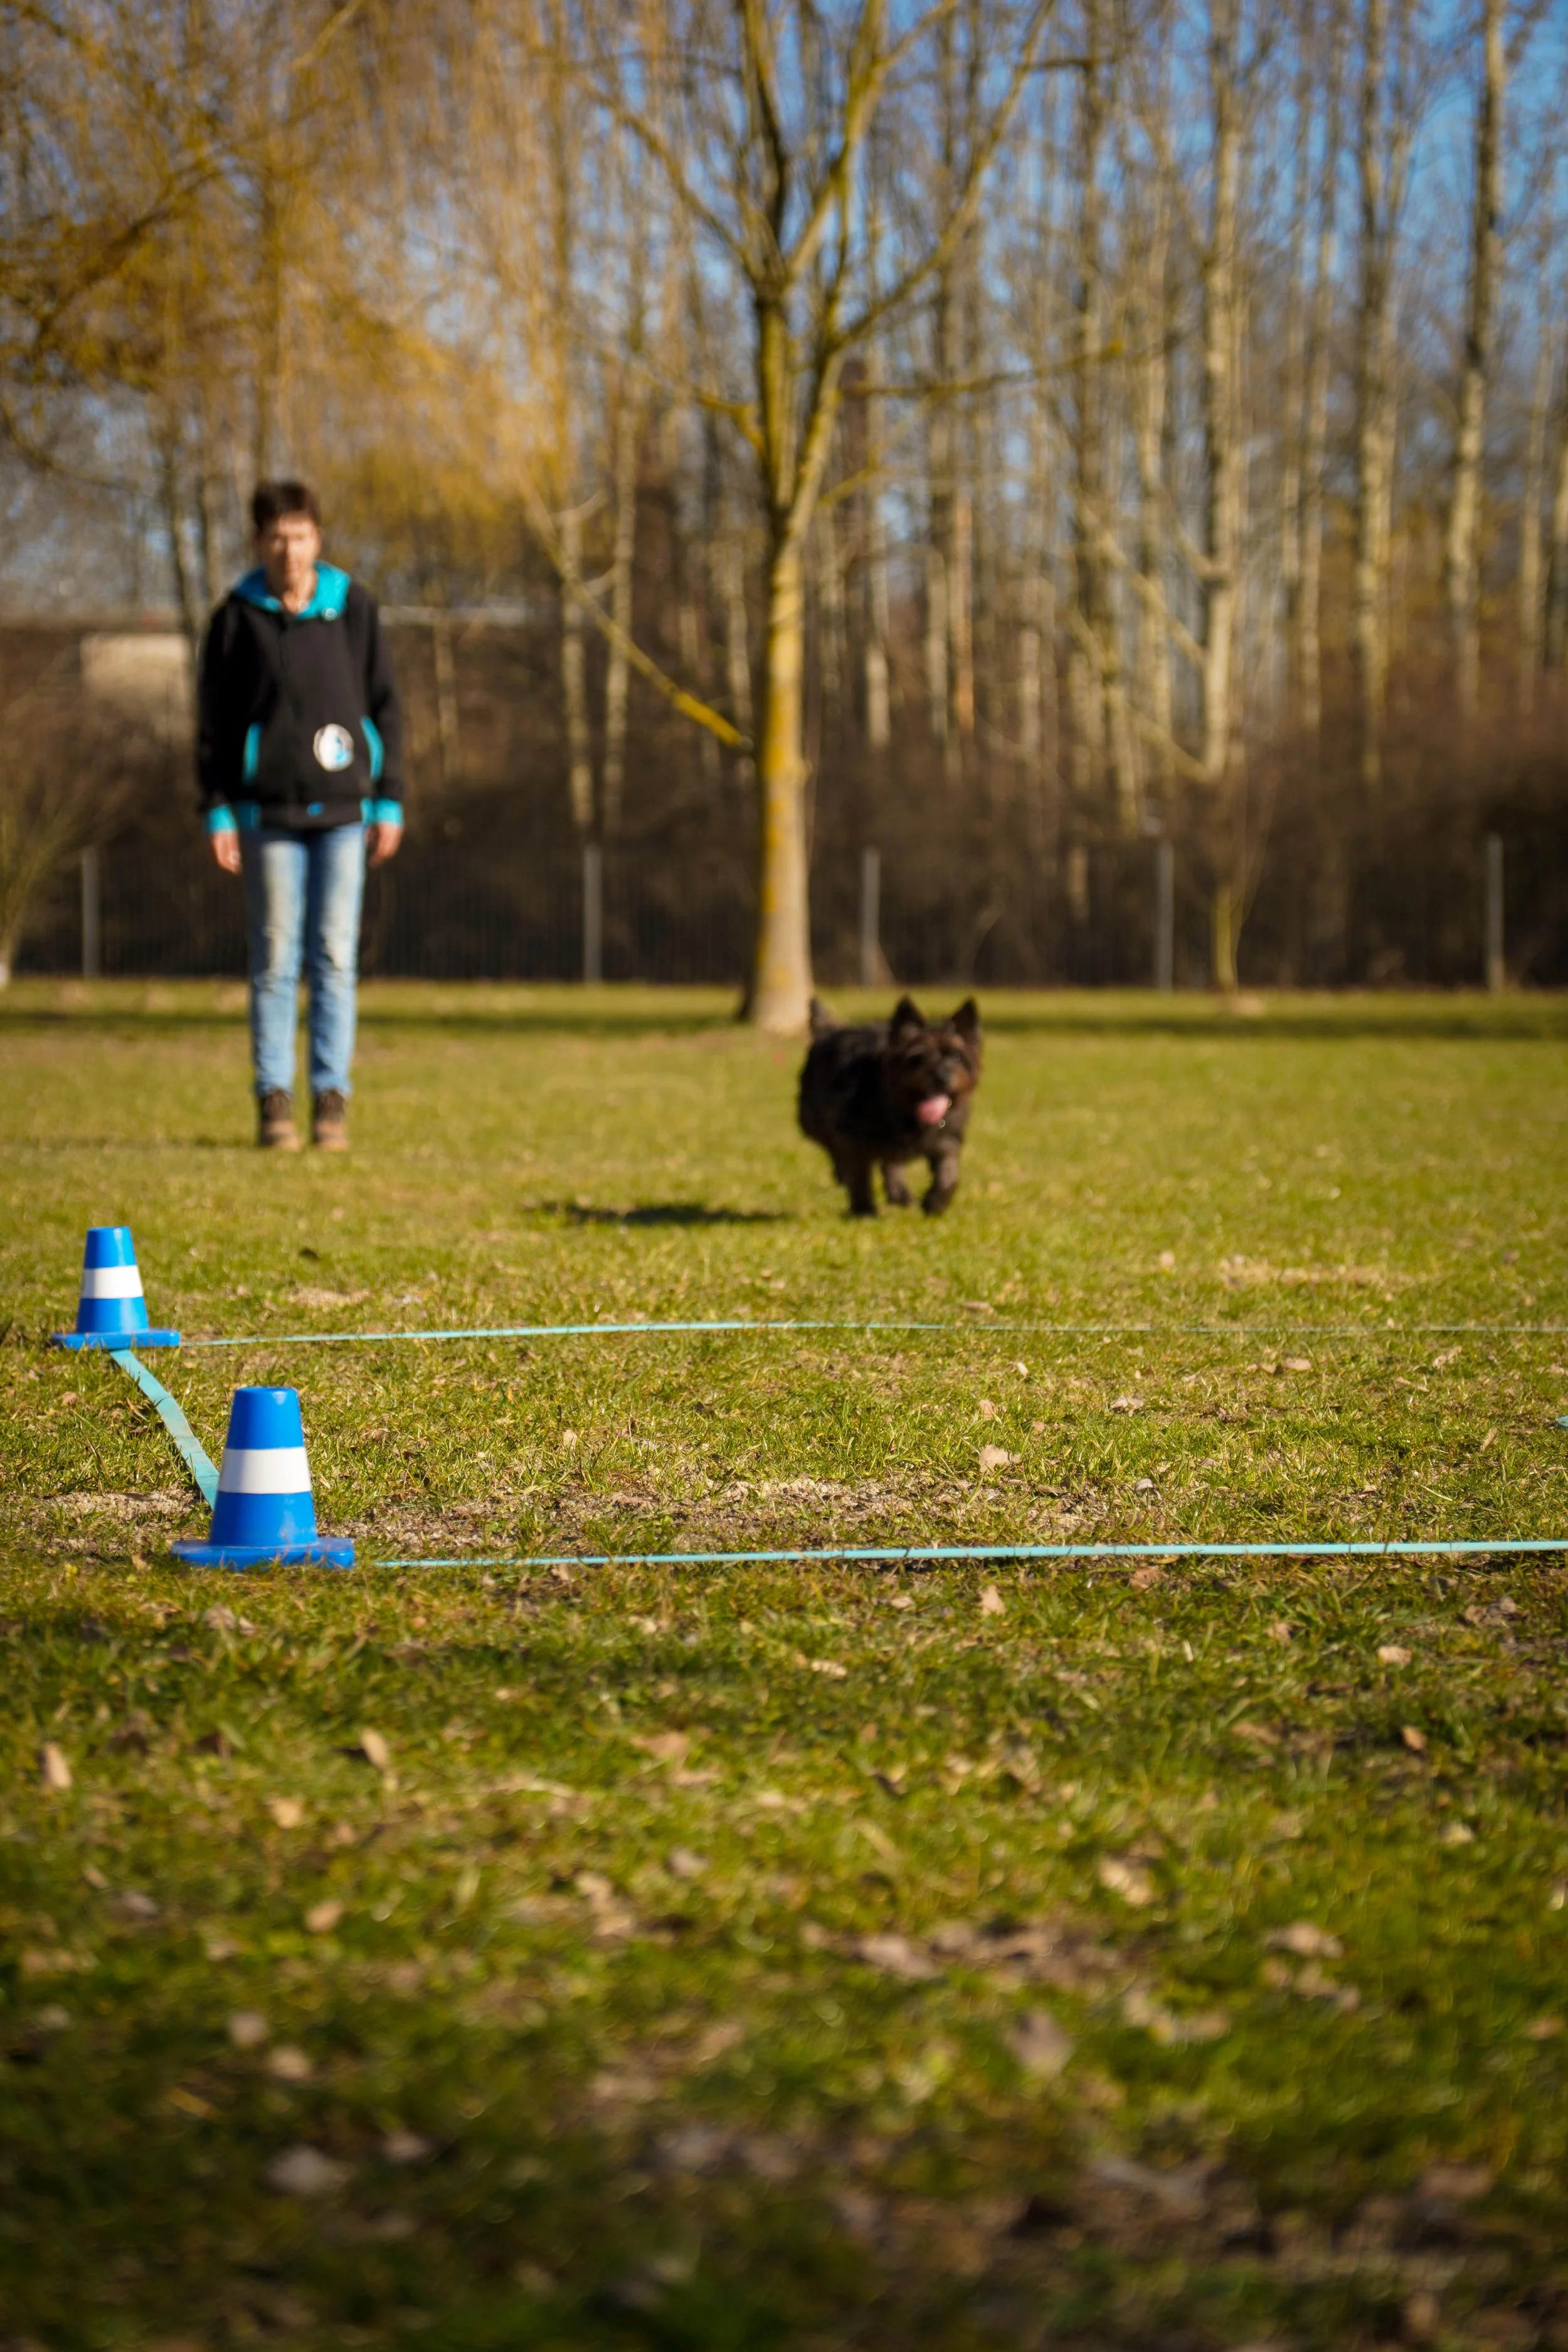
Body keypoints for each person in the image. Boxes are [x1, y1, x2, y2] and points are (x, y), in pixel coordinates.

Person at [198, 480, 405, 1150]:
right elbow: (213, 726)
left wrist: (390, 796)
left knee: (335, 958)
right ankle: (274, 1101)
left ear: (319, 538)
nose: (290, 550)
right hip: (266, 816)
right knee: (275, 959)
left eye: (301, 535)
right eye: (276, 538)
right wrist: (217, 810)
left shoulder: (354, 609)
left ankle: (332, 1099)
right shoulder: (235, 618)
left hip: (346, 813)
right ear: (259, 543)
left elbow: (387, 707)